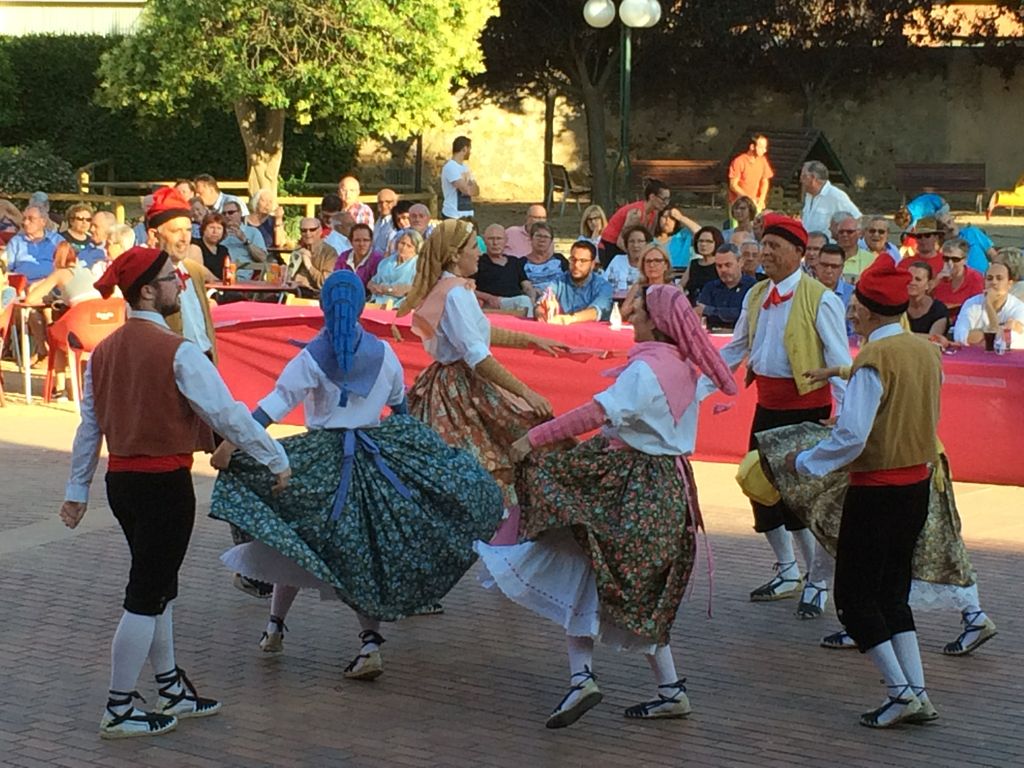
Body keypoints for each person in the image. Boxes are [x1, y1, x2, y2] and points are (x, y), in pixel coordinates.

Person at [207, 270, 503, 676]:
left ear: (325, 306)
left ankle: (275, 626)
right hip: (376, 460)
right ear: (363, 306)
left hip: (321, 464)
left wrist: (232, 444)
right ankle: (369, 644)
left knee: (296, 539)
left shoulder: (311, 356)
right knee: (367, 550)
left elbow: (272, 407)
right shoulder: (384, 354)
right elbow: (400, 410)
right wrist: (426, 452)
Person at [477, 285, 738, 728]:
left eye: (637, 307)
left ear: (655, 322)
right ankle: (660, 688)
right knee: (629, 586)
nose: (629, 312)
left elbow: (595, 413)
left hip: (630, 486)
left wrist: (532, 439)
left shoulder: (647, 372)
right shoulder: (680, 365)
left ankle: (587, 680)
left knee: (588, 569)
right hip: (667, 488)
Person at [58, 246, 290, 739]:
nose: (179, 285)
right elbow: (226, 413)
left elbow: (89, 427)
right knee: (146, 592)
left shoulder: (104, 351)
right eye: (169, 278)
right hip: (164, 483)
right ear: (147, 290)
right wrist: (275, 456)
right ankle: (120, 706)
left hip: (122, 482)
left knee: (158, 586)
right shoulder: (178, 350)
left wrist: (77, 488)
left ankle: (169, 688)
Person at [783, 260, 941, 728]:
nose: (851, 313)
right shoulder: (925, 351)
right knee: (893, 593)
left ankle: (901, 693)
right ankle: (917, 692)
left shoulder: (874, 358)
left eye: (856, 307)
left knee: (854, 598)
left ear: (871, 312)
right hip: (916, 485)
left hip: (877, 490)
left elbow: (853, 435)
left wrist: (806, 463)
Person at [716, 213, 851, 615]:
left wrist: (843, 416)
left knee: (801, 501)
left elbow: (839, 361)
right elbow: (736, 348)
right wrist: (696, 378)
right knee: (758, 486)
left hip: (807, 407)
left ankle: (816, 580)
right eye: (762, 245)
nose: (764, 253)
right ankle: (788, 569)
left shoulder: (821, 298)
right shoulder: (756, 294)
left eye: (773, 246)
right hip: (767, 405)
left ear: (797, 252)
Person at [398, 219, 564, 543]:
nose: (480, 253)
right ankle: (505, 543)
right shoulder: (455, 295)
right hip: (460, 390)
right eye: (475, 246)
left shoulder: (451, 289)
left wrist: (529, 339)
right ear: (454, 254)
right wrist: (526, 393)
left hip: (447, 385)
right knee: (507, 453)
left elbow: (481, 333)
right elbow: (477, 355)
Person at [147, 187, 219, 363]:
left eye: (187, 230)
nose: (184, 238)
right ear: (154, 235)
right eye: (175, 231)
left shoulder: (193, 270)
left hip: (203, 358)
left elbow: (204, 322)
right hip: (171, 364)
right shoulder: (146, 274)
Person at [599, 180, 671, 268]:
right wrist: (639, 258)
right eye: (663, 199)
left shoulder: (654, 213)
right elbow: (620, 242)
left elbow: (648, 240)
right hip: (610, 246)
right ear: (652, 197)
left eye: (668, 199)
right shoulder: (636, 214)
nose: (666, 203)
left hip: (625, 246)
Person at [952, 262, 1024, 349]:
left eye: (999, 278)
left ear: (1009, 284)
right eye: (989, 278)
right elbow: (960, 336)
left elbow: (1016, 341)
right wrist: (998, 332)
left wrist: (980, 337)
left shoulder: (1018, 307)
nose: (994, 282)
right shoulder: (971, 304)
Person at [538, 241, 613, 325]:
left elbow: (596, 311)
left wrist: (570, 319)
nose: (576, 265)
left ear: (592, 265)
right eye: (573, 259)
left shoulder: (603, 286)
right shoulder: (558, 282)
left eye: (583, 261)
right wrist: (541, 310)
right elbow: (540, 304)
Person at [472, 224, 535, 317]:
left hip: (515, 302)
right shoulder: (478, 262)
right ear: (484, 241)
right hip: (491, 304)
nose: (495, 243)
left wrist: (532, 298)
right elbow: (469, 287)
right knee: (523, 301)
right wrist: (488, 297)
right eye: (491, 239)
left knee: (527, 301)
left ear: (506, 241)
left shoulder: (514, 261)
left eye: (499, 239)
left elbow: (527, 286)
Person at [696, 244, 756, 331]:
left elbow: (744, 315)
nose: (723, 270)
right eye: (719, 266)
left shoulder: (753, 287)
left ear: (740, 262)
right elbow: (701, 314)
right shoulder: (710, 288)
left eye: (728, 265)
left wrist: (710, 311)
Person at [800, 161, 861, 235]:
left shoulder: (837, 196)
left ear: (813, 178)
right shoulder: (809, 196)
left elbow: (858, 220)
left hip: (829, 245)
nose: (800, 180)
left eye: (804, 177)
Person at [931, 238, 984, 325]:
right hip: (938, 322)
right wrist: (937, 280)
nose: (950, 263)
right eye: (946, 258)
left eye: (955, 259)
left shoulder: (975, 278)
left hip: (964, 323)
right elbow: (923, 301)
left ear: (965, 260)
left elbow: (977, 306)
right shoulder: (938, 275)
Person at [622, 243, 679, 321]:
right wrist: (634, 306)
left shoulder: (674, 289)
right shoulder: (638, 286)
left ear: (666, 265)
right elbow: (622, 313)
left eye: (657, 261)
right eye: (648, 261)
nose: (652, 265)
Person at [367, 228, 422, 307]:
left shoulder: (418, 265)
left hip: (400, 306)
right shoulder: (386, 262)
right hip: (376, 303)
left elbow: (411, 289)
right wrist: (375, 287)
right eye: (402, 243)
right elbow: (371, 283)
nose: (404, 248)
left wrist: (387, 289)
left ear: (416, 249)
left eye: (409, 246)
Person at [5, 205, 60, 281]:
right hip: (23, 287)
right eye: (24, 219)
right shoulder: (16, 242)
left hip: (52, 285)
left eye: (31, 219)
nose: (26, 222)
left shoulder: (56, 240)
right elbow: (5, 269)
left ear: (43, 221)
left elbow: (69, 266)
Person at [288, 217, 338, 296]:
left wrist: (309, 265)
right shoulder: (298, 251)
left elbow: (326, 283)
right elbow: (289, 277)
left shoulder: (329, 253)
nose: (308, 233)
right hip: (295, 293)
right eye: (304, 230)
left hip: (317, 297)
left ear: (320, 231)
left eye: (312, 230)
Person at [815, 244, 856, 331]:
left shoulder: (853, 295)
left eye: (834, 267)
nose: (828, 271)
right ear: (817, 265)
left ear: (842, 268)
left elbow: (854, 332)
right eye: (824, 265)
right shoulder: (805, 291)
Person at [680, 226, 724, 305]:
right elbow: (681, 285)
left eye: (709, 241)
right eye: (700, 241)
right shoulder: (693, 263)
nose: (703, 244)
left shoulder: (721, 264)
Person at [728, 134, 774, 210]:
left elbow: (765, 181)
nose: (765, 150)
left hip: (755, 203)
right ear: (752, 147)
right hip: (738, 204)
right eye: (761, 147)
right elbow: (733, 185)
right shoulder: (739, 161)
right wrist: (748, 199)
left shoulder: (763, 160)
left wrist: (762, 199)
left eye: (765, 147)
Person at [521, 222, 568, 294]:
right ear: (530, 238)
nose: (542, 240)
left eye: (546, 237)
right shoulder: (521, 263)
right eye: (538, 236)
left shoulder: (559, 259)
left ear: (551, 241)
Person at [333, 222, 384, 288]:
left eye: (365, 240)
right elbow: (335, 279)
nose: (361, 244)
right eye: (357, 240)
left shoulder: (377, 260)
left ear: (371, 242)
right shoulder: (344, 257)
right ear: (351, 242)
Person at [905, 262, 949, 337]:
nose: (912, 282)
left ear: (928, 285)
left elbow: (934, 339)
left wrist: (903, 335)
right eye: (909, 278)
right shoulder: (896, 306)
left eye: (918, 279)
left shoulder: (938, 310)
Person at [440, 136, 479, 220]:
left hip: (468, 215)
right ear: (464, 149)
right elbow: (466, 190)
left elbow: (476, 191)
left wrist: (469, 187)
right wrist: (469, 186)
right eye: (469, 149)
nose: (470, 152)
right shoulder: (450, 167)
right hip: (453, 215)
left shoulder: (466, 168)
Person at [220, 200, 268, 268]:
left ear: (240, 213)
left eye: (231, 212)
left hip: (243, 274)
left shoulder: (253, 232)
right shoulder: (218, 233)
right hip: (220, 273)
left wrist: (245, 241)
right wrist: (221, 238)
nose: (227, 216)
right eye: (224, 213)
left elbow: (263, 258)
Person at [604, 224, 648, 296]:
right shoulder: (617, 260)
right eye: (631, 241)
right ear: (626, 244)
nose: (635, 245)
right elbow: (604, 283)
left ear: (646, 244)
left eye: (640, 241)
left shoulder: (650, 263)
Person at [653, 206, 700, 272]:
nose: (667, 220)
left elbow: (700, 232)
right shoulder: (651, 240)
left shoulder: (682, 235)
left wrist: (680, 217)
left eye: (672, 218)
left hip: (679, 274)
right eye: (664, 217)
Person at [833, 214, 874, 282]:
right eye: (841, 232)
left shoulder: (870, 260)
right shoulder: (827, 255)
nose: (845, 235)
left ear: (859, 234)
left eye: (849, 232)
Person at [188, 213, 229, 278]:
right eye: (211, 227)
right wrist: (217, 282)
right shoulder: (195, 245)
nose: (215, 231)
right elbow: (198, 271)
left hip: (222, 286)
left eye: (219, 228)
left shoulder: (223, 250)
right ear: (204, 229)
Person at [372, 188, 399, 254]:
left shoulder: (397, 222)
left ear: (395, 203)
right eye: (380, 202)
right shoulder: (378, 222)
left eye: (388, 202)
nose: (384, 205)